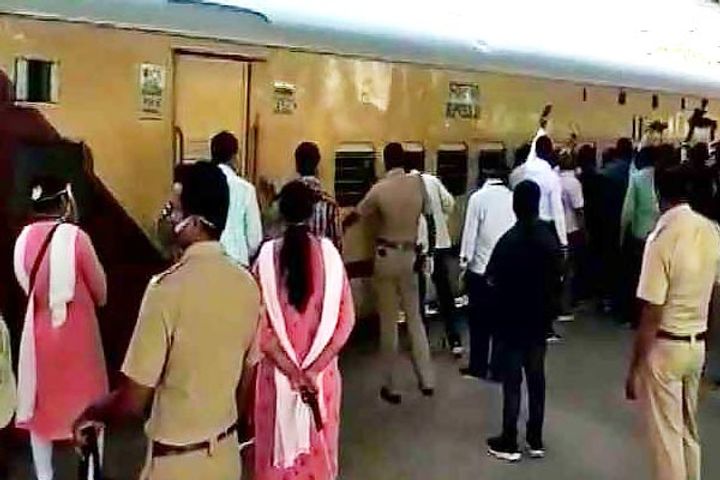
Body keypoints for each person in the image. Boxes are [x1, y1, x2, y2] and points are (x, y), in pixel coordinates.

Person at [74, 162, 261, 480]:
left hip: (175, 464)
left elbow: (134, 399)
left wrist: (94, 412)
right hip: (226, 458)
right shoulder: (247, 285)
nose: (167, 218)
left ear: (196, 223)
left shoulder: (164, 291)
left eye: (174, 210)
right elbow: (247, 378)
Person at [250, 180, 355, 480]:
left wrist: (292, 372)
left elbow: (258, 326)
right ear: (312, 212)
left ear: (280, 212)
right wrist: (313, 370)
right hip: (320, 381)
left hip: (276, 378)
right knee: (319, 455)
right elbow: (346, 320)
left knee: (275, 459)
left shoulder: (265, 260)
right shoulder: (331, 258)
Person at [625, 164, 720, 480]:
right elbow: (716, 294)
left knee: (667, 438)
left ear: (657, 194)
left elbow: (652, 311)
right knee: (689, 431)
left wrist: (635, 366)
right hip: (697, 344)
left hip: (666, 347)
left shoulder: (661, 238)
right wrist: (708, 344)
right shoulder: (711, 231)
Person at [12, 176, 107, 480]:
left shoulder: (22, 240)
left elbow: (26, 286)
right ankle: (90, 473)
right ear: (65, 201)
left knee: (40, 413)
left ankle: (44, 476)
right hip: (80, 342)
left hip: (38, 338)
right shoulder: (77, 238)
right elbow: (101, 292)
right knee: (90, 411)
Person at [344, 142, 435, 404]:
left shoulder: (379, 189)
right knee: (415, 319)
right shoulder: (418, 184)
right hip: (410, 255)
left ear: (385, 161)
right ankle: (427, 379)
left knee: (389, 323)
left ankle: (391, 385)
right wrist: (426, 250)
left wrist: (342, 225)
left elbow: (357, 215)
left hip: (386, 256)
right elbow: (428, 217)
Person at [485, 180, 562, 462]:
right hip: (539, 322)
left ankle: (509, 440)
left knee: (512, 382)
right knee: (536, 379)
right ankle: (535, 438)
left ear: (515, 206)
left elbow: (491, 278)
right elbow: (559, 276)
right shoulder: (548, 238)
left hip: (511, 322)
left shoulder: (508, 241)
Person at [459, 154, 515, 381]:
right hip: (506, 272)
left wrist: (464, 264)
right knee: (502, 324)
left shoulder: (478, 198)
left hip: (481, 270)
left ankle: (478, 367)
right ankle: (499, 369)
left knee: (479, 324)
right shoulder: (512, 197)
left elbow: (470, 235)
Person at [411, 162, 462, 356]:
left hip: (419, 247)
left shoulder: (405, 186)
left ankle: (422, 342)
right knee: (445, 294)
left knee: (419, 295)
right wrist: (443, 221)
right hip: (440, 244)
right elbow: (449, 203)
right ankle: (454, 339)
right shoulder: (432, 180)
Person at [619, 146, 660, 325]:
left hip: (641, 235)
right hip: (660, 233)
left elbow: (628, 210)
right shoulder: (664, 176)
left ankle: (637, 317)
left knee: (638, 278)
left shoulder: (637, 178)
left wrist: (622, 235)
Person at [211, 131, 263, 266]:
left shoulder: (201, 185)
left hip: (208, 261)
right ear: (234, 157)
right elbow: (255, 239)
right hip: (237, 262)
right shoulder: (246, 189)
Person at [598, 138, 633, 312]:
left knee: (609, 261)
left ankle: (608, 298)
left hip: (608, 222)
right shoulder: (635, 172)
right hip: (630, 224)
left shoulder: (605, 173)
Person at [295, 142, 344, 251]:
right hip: (321, 260)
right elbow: (337, 246)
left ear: (297, 166)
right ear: (317, 165)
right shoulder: (330, 204)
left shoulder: (286, 199)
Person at [558, 151, 585, 320]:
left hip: (557, 228)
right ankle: (566, 306)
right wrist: (584, 230)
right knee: (569, 269)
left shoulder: (554, 179)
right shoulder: (573, 183)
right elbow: (579, 209)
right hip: (571, 229)